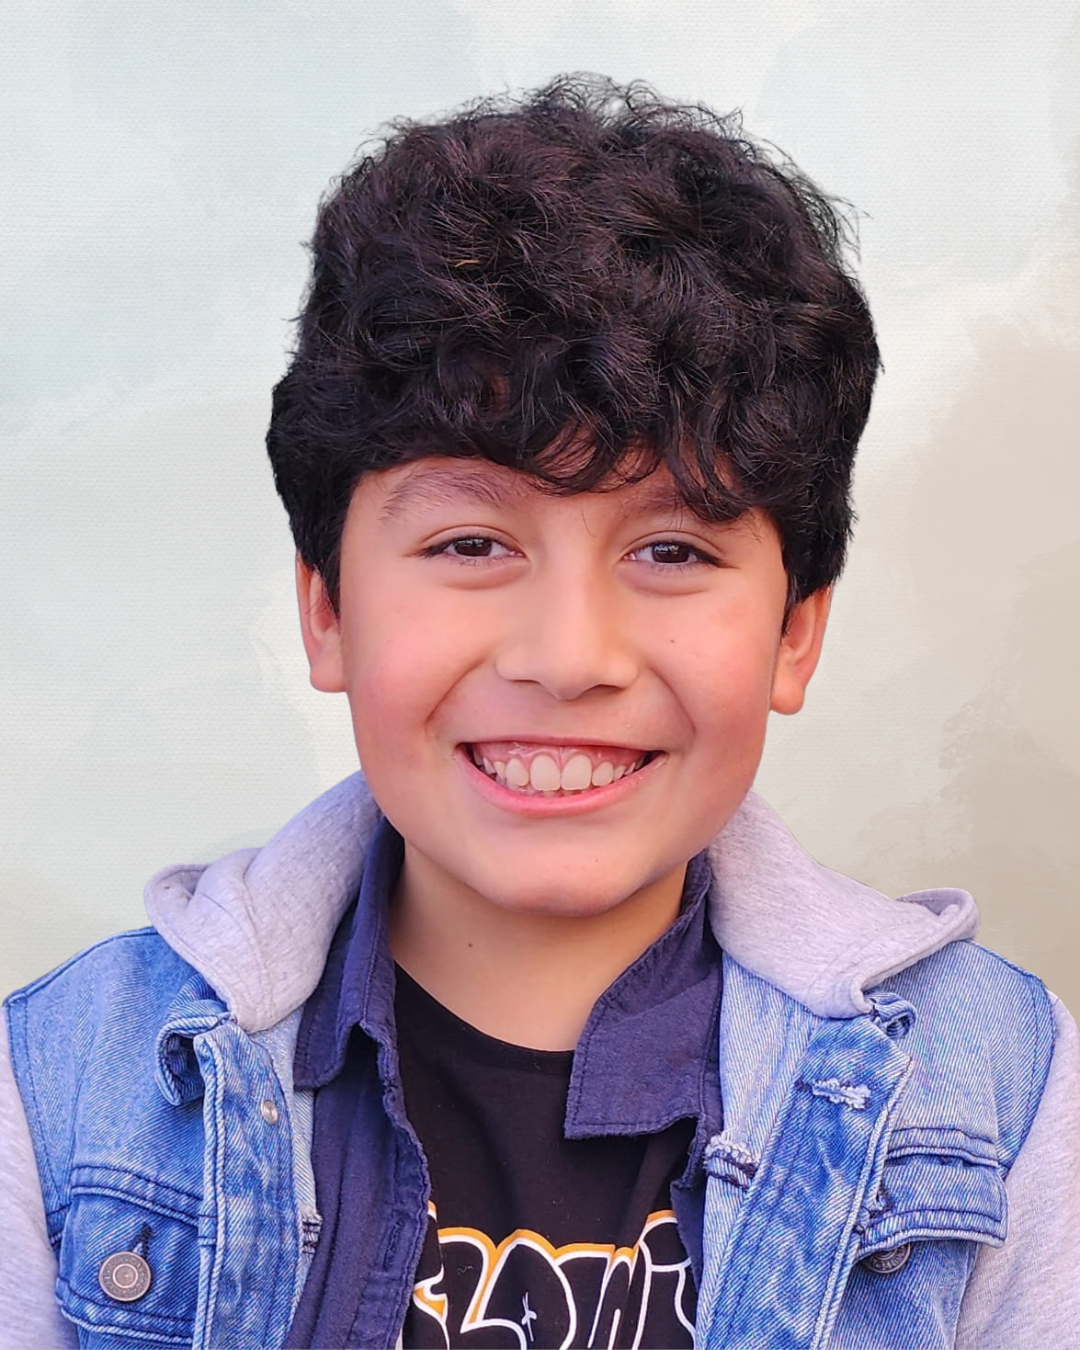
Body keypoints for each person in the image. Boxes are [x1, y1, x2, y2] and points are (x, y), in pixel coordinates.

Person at [2, 75, 1077, 1350]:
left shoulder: (999, 1091)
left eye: (672, 552)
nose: (570, 659)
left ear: (797, 631)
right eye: (470, 542)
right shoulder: (66, 1089)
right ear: (327, 612)